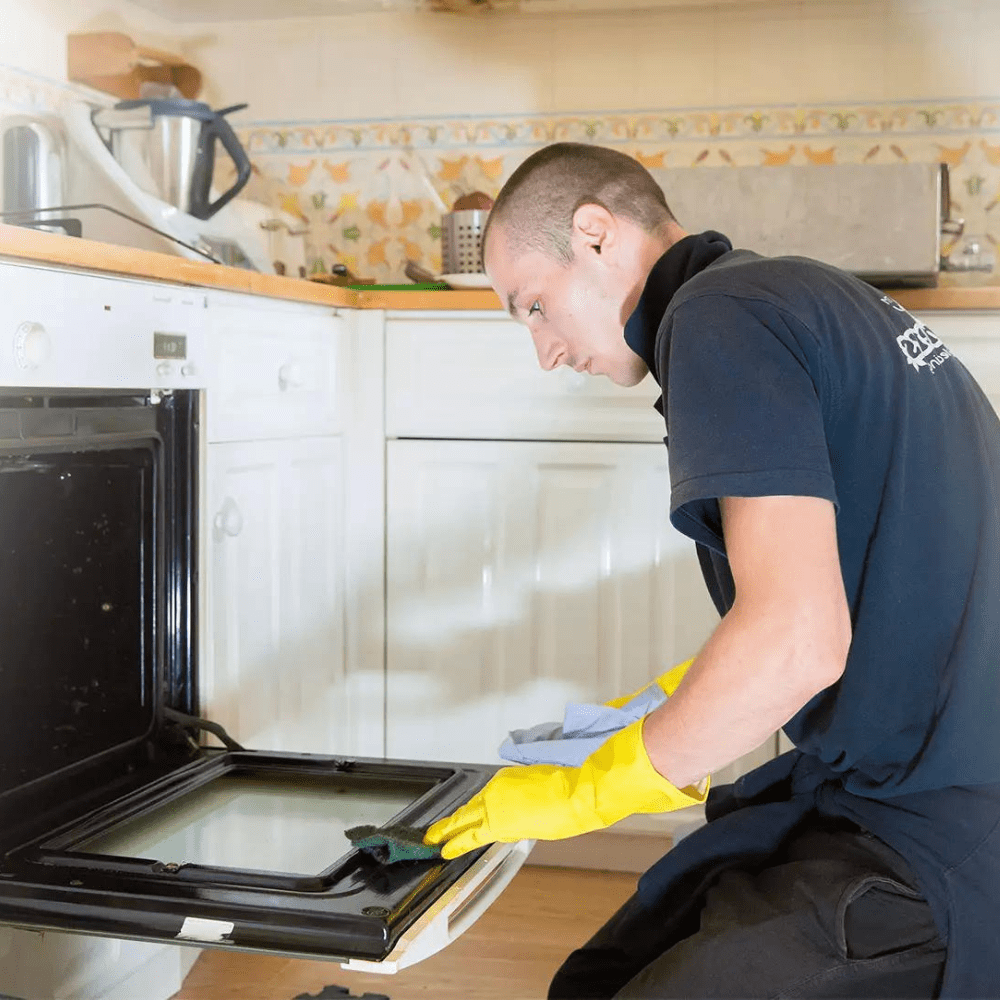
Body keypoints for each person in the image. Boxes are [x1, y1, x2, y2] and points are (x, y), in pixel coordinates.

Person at [423, 142, 1000, 999]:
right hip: (907, 780)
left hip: (939, 831)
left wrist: (590, 794)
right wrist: (649, 711)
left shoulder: (716, 319)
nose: (544, 349)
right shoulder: (791, 295)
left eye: (535, 307)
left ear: (594, 234)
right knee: (597, 980)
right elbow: (857, 594)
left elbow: (799, 641)